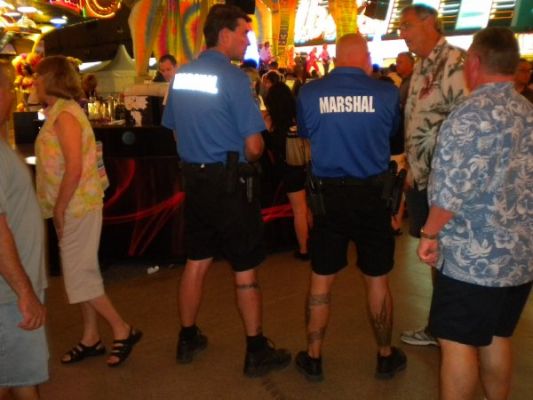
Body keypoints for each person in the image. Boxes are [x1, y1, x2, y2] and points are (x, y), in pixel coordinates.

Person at [161, 4, 291, 378]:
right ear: (224, 34)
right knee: (245, 267)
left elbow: (174, 131)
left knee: (197, 260)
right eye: (244, 33)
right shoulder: (234, 79)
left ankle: (187, 337)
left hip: (195, 182)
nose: (248, 41)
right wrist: (256, 142)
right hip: (231, 185)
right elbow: (254, 146)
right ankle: (256, 349)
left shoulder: (182, 76)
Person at [418, 26, 533, 400]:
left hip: (473, 260)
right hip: (520, 256)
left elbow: (450, 192)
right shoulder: (528, 111)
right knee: (497, 335)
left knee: (457, 341)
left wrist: (429, 234)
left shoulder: (468, 117)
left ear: (475, 62)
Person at [295, 33, 406, 382]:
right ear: (364, 56)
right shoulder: (387, 93)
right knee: (377, 279)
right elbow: (393, 138)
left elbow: (307, 138)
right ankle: (385, 356)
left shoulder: (309, 93)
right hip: (372, 197)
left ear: (336, 56)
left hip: (328, 199)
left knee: (321, 279)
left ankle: (313, 357)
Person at [33, 56, 142, 368]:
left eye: (38, 76)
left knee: (78, 275)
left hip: (76, 205)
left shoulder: (65, 115)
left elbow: (75, 168)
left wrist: (59, 208)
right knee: (83, 272)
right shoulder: (60, 111)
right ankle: (91, 336)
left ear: (51, 79)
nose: (33, 82)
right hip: (75, 204)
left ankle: (122, 328)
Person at [398, 3, 467, 347]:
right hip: (423, 178)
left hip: (447, 182)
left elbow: (467, 122)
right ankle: (441, 327)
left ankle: (451, 330)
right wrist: (411, 167)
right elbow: (416, 122)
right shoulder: (422, 66)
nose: (402, 33)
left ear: (430, 22)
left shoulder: (455, 62)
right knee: (434, 256)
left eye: (407, 25)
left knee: (449, 257)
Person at [0, 60, 48, 400]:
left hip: (13, 290)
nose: (14, 96)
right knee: (16, 377)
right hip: (10, 293)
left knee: (19, 376)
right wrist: (25, 292)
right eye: (9, 89)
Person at [263, 82, 310, 260]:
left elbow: (266, 147)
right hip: (307, 166)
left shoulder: (270, 121)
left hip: (287, 170)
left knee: (299, 211)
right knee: (308, 208)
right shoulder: (299, 117)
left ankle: (304, 249)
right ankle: (313, 241)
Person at [390, 51, 414, 234]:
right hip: (403, 141)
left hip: (405, 142)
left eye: (400, 62)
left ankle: (397, 223)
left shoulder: (412, 83)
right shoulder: (404, 83)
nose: (397, 65)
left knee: (399, 184)